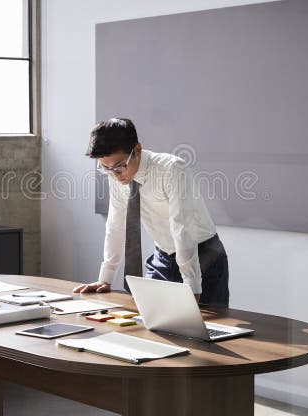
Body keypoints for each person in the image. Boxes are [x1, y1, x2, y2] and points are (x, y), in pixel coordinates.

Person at [73, 118, 230, 307]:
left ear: (137, 150)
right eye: (105, 168)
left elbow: (182, 228)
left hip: (203, 257)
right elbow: (116, 224)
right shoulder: (116, 175)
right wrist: (106, 277)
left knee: (207, 329)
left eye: (119, 166)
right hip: (162, 257)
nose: (115, 174)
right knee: (148, 322)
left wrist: (192, 285)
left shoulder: (172, 169)